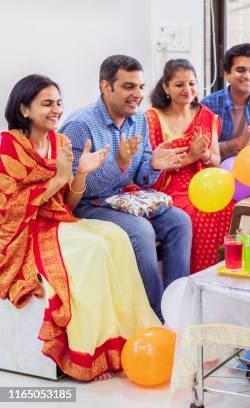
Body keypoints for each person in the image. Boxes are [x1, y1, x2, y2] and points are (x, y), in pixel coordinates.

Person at [0, 75, 160, 381]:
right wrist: (59, 177)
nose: (56, 110)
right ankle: (92, 351)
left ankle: (132, 336)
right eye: (47, 104)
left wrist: (80, 174)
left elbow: (67, 203)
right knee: (94, 248)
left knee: (116, 236)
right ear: (24, 109)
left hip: (57, 219)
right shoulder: (9, 146)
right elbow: (11, 209)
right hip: (22, 228)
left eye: (58, 103)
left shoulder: (61, 142)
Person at [60, 55, 192, 320]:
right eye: (129, 87)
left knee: (180, 220)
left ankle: (178, 306)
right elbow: (75, 188)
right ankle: (157, 316)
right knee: (141, 229)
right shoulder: (80, 125)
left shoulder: (138, 120)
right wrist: (119, 162)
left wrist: (153, 165)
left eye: (141, 87)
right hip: (88, 205)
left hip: (124, 199)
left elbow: (143, 179)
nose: (138, 94)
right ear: (106, 87)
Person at [146, 58, 233, 273]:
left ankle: (219, 278)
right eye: (179, 85)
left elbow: (216, 160)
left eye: (192, 83)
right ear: (166, 87)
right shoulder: (152, 118)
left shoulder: (206, 116)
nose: (188, 89)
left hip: (202, 184)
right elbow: (149, 166)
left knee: (228, 208)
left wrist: (203, 155)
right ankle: (193, 280)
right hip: (166, 187)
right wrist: (191, 155)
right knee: (198, 214)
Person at [202, 43, 250, 160]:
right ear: (227, 74)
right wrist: (238, 143)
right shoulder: (209, 104)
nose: (247, 76)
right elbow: (203, 151)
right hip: (218, 172)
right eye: (240, 70)